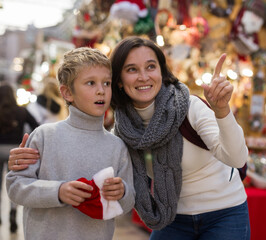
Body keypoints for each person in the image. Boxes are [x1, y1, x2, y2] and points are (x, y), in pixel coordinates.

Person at [8, 36, 250, 240]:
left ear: (161, 71)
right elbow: (21, 183)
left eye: (151, 67)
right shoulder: (121, 135)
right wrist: (29, 168)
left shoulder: (188, 107)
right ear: (121, 83)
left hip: (224, 212)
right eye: (132, 69)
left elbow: (237, 157)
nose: (143, 76)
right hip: (172, 216)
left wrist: (221, 112)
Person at [6, 47, 135, 240]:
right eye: (90, 83)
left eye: (106, 83)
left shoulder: (117, 146)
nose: (101, 90)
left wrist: (122, 192)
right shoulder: (44, 136)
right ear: (67, 93)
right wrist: (57, 192)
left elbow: (128, 202)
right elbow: (16, 187)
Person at [0, 84, 39, 233]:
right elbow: (36, 126)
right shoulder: (22, 111)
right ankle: (13, 213)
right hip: (15, 152)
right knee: (14, 183)